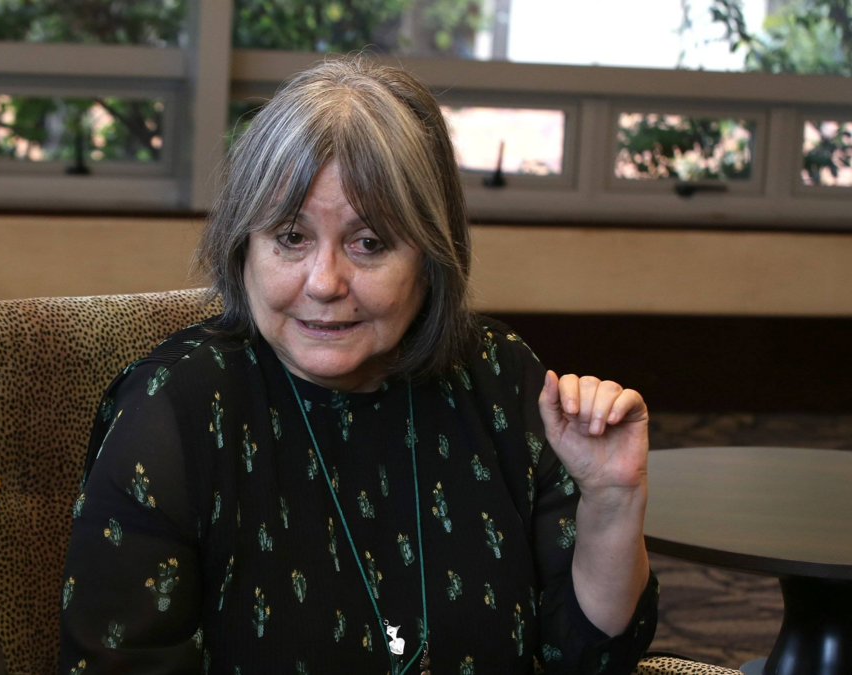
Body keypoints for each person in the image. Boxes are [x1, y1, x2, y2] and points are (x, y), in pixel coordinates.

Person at [59, 55, 657, 675]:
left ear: (431, 258)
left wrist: (612, 500)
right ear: (243, 248)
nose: (324, 282)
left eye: (369, 243)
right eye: (291, 237)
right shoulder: (176, 405)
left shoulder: (498, 375)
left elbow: (590, 655)